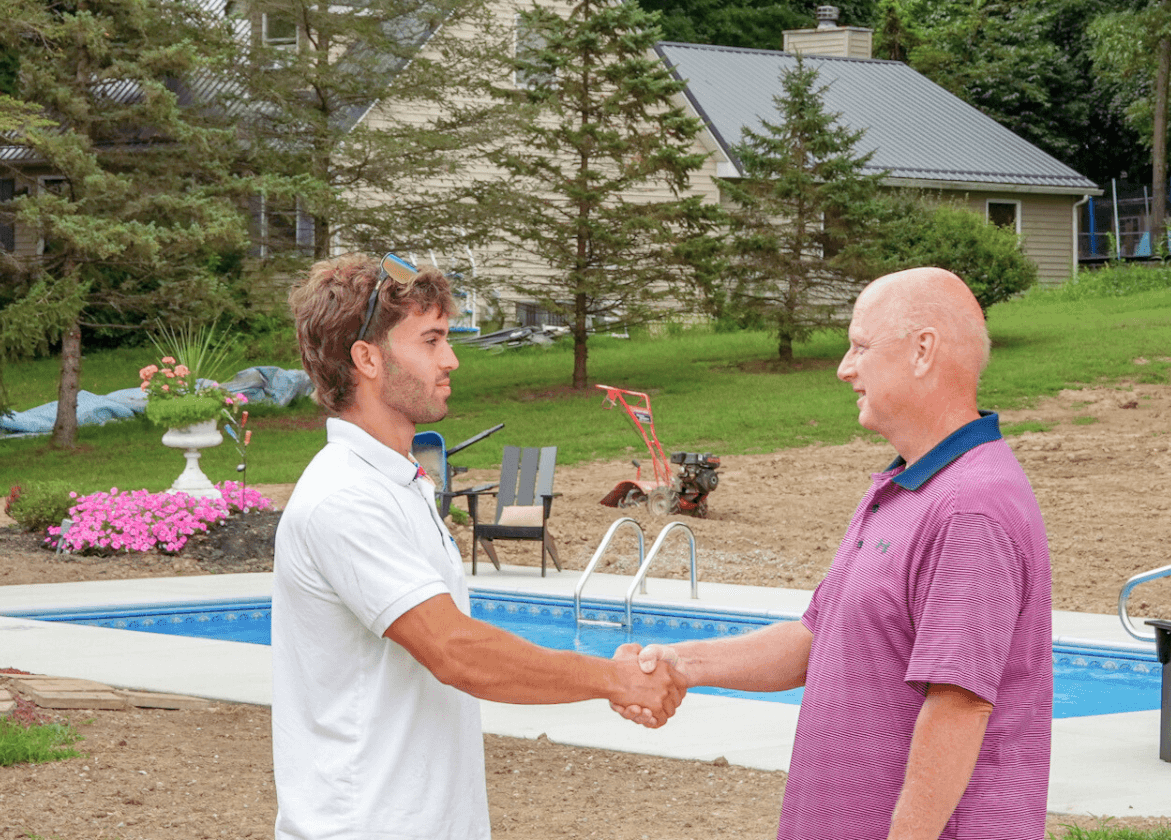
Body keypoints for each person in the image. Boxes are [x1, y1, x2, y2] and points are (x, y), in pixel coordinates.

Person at [619, 267, 1053, 840]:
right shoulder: (905, 486)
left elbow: (957, 709)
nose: (845, 368)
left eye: (860, 346)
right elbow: (819, 640)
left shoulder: (972, 507)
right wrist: (685, 664)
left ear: (923, 350)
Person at [271, 254, 686, 840]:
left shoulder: (398, 482)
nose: (451, 359)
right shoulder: (345, 497)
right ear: (366, 358)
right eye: (432, 340)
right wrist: (614, 678)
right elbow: (456, 651)